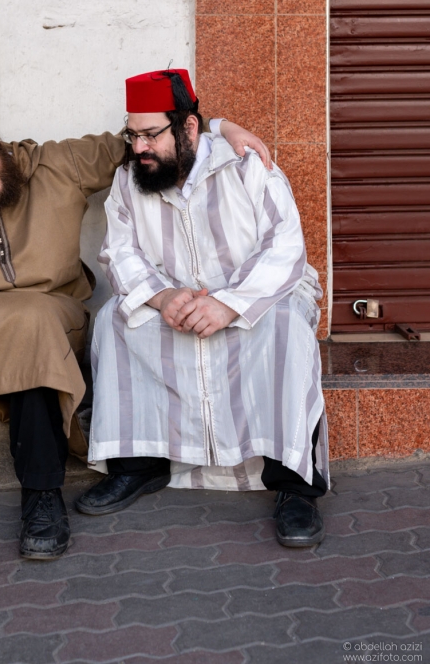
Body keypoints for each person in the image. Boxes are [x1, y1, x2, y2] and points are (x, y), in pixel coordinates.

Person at [0, 96, 269, 559]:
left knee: (31, 324)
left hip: (50, 315)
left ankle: (42, 496)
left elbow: (145, 137)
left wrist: (219, 125)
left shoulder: (57, 164)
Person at [76, 69, 327, 548]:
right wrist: (163, 297)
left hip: (254, 294)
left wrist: (230, 305)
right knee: (116, 321)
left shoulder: (247, 164)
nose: (139, 147)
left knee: (287, 329)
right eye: (133, 135)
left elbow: (285, 248)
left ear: (189, 128)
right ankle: (140, 465)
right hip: (176, 301)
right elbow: (119, 251)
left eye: (151, 134)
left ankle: (295, 487)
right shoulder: (130, 180)